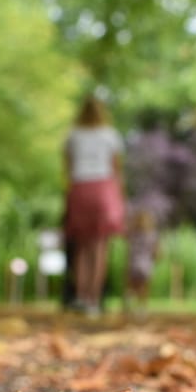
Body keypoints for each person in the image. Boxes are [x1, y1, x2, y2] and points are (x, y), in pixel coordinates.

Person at [62, 95, 125, 316]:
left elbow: (67, 168)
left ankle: (80, 296)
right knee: (99, 247)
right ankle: (93, 300)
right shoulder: (110, 135)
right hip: (103, 190)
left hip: (80, 188)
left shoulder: (72, 135)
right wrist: (119, 200)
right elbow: (116, 170)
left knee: (82, 246)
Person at [124, 208, 159, 319]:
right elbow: (156, 252)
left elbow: (125, 238)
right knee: (144, 288)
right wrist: (154, 259)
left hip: (133, 264)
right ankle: (142, 308)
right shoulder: (152, 236)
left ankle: (130, 296)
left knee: (131, 285)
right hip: (146, 265)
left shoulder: (133, 236)